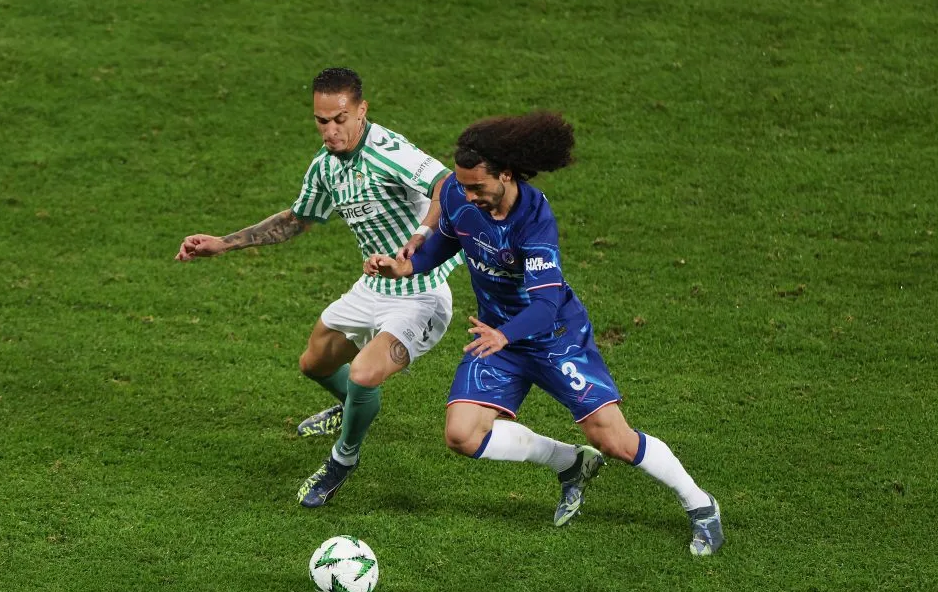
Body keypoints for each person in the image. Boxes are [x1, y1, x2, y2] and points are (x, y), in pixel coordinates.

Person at [366, 111, 725, 554]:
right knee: (462, 434)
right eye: (463, 185)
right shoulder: (460, 195)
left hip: (554, 336)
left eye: (477, 186)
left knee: (612, 439)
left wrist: (504, 336)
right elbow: (449, 239)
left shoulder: (534, 219)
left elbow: (546, 304)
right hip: (498, 336)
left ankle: (700, 504)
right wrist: (406, 266)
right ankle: (570, 463)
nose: (467, 195)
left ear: (506, 174)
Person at [175, 68, 460, 508]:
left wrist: (420, 238)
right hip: (374, 284)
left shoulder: (390, 151)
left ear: (361, 111)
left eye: (340, 119)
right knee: (314, 363)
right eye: (321, 121)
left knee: (363, 374)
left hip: (422, 291)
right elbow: (297, 219)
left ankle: (343, 459)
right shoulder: (326, 167)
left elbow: (448, 185)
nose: (330, 131)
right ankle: (351, 410)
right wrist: (224, 243)